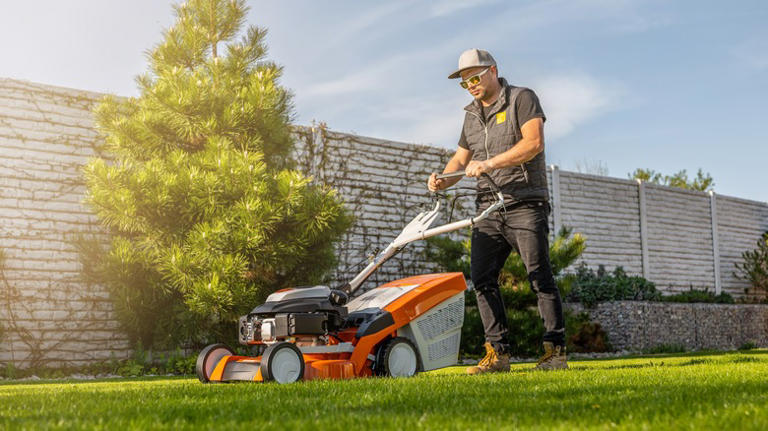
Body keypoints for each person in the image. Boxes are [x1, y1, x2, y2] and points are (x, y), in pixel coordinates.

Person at [428, 48, 567, 373]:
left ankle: (555, 353)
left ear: (492, 70)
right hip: (488, 209)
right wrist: (442, 180)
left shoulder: (522, 98)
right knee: (482, 278)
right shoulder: (472, 115)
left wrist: (490, 162)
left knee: (539, 277)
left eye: (474, 78)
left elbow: (534, 143)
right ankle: (497, 354)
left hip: (524, 202)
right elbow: (461, 160)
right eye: (465, 83)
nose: (471, 86)